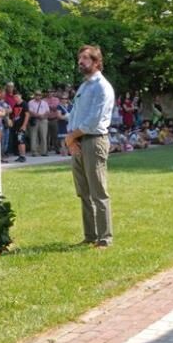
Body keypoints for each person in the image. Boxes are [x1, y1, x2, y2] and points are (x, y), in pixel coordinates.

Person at [64, 45, 116, 248]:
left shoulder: (102, 87)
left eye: (85, 58)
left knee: (98, 192)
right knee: (83, 192)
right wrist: (72, 139)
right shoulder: (84, 86)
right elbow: (76, 115)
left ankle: (105, 238)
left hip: (94, 141)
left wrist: (71, 137)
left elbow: (93, 121)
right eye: (80, 58)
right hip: (78, 141)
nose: (80, 61)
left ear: (96, 62)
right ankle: (90, 236)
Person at [27, 90, 49, 157]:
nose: (38, 96)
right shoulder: (30, 102)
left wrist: (43, 116)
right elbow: (30, 111)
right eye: (36, 95)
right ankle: (34, 151)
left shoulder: (44, 103)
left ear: (41, 96)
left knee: (43, 136)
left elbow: (47, 111)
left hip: (43, 120)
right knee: (33, 136)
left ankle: (44, 151)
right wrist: (39, 115)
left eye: (39, 95)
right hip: (34, 120)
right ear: (34, 95)